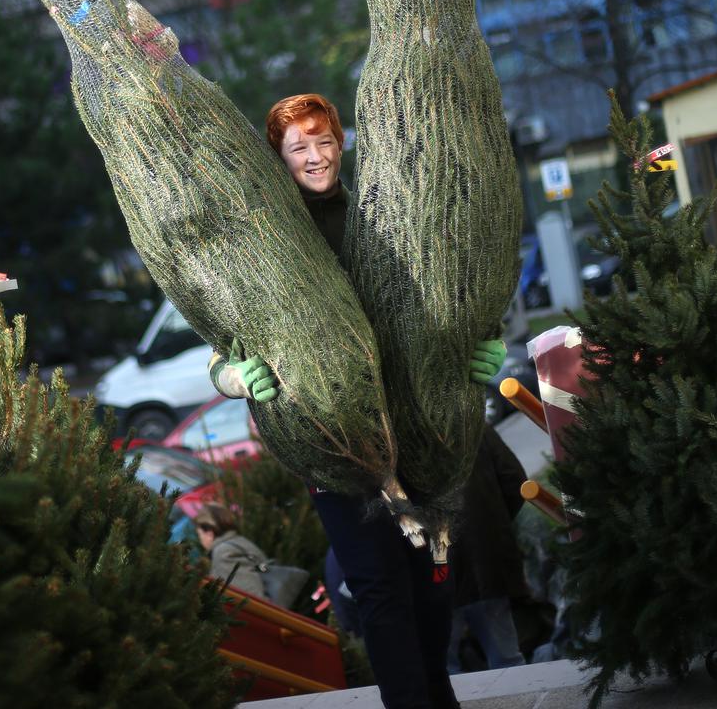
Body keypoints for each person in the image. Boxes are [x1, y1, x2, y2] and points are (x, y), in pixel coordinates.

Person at [207, 93, 508, 709]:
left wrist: (487, 338)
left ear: (340, 144)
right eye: (299, 148)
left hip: (415, 424)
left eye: (324, 141)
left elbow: (437, 287)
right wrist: (234, 376)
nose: (315, 156)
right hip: (333, 441)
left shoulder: (377, 216)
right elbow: (220, 344)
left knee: (432, 579)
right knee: (378, 586)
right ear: (279, 159)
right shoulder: (267, 238)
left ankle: (439, 698)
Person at [446, 427, 529, 673]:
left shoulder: (400, 434)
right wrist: (495, 525)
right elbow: (515, 481)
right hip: (487, 560)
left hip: (434, 570)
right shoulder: (472, 424)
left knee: (442, 670)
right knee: (508, 661)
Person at [195, 502, 269, 600]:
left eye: (199, 534)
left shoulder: (223, 552)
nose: (200, 539)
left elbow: (252, 597)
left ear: (209, 533)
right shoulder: (237, 540)